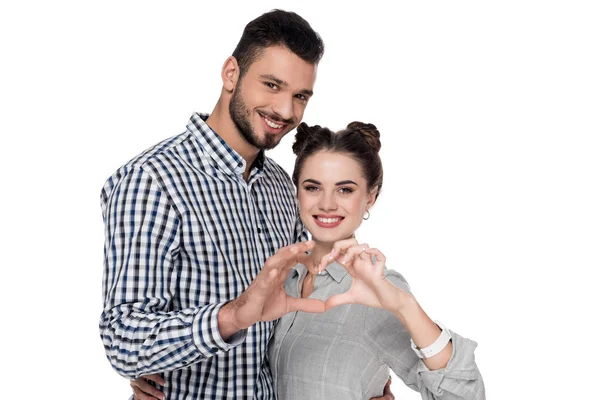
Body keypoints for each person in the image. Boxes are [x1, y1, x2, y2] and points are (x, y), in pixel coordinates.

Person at [100, 9, 394, 400]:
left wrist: (360, 382)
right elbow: (123, 339)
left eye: (300, 96)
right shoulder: (152, 180)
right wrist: (232, 316)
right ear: (231, 74)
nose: (286, 111)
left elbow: (298, 311)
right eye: (272, 85)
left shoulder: (280, 186)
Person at [132, 121, 485, 399]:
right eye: (313, 187)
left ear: (370, 198)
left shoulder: (377, 289)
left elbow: (465, 395)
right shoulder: (277, 276)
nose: (327, 204)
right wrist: (153, 368)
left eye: (345, 189)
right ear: (295, 191)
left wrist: (404, 306)